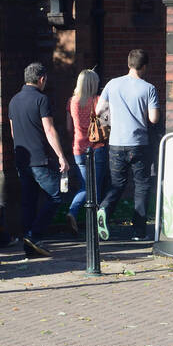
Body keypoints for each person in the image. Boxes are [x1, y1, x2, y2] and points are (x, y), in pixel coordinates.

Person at [96, 49, 160, 241]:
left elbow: (100, 110)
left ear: (129, 64)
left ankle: (104, 210)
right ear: (145, 66)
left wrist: (110, 124)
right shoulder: (148, 88)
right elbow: (153, 118)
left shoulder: (112, 84)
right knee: (142, 185)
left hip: (116, 143)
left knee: (117, 184)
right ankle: (138, 231)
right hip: (139, 144)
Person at [9, 62, 69, 257]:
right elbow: (49, 130)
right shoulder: (41, 100)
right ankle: (34, 235)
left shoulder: (14, 101)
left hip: (22, 159)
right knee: (55, 196)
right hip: (38, 159)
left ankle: (29, 245)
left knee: (29, 201)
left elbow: (12, 132)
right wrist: (61, 156)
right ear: (41, 79)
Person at [68, 69, 109, 235]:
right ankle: (93, 224)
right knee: (95, 188)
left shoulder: (72, 101)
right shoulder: (99, 101)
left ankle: (73, 212)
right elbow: (106, 127)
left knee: (85, 186)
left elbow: (68, 127)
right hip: (96, 148)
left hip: (78, 148)